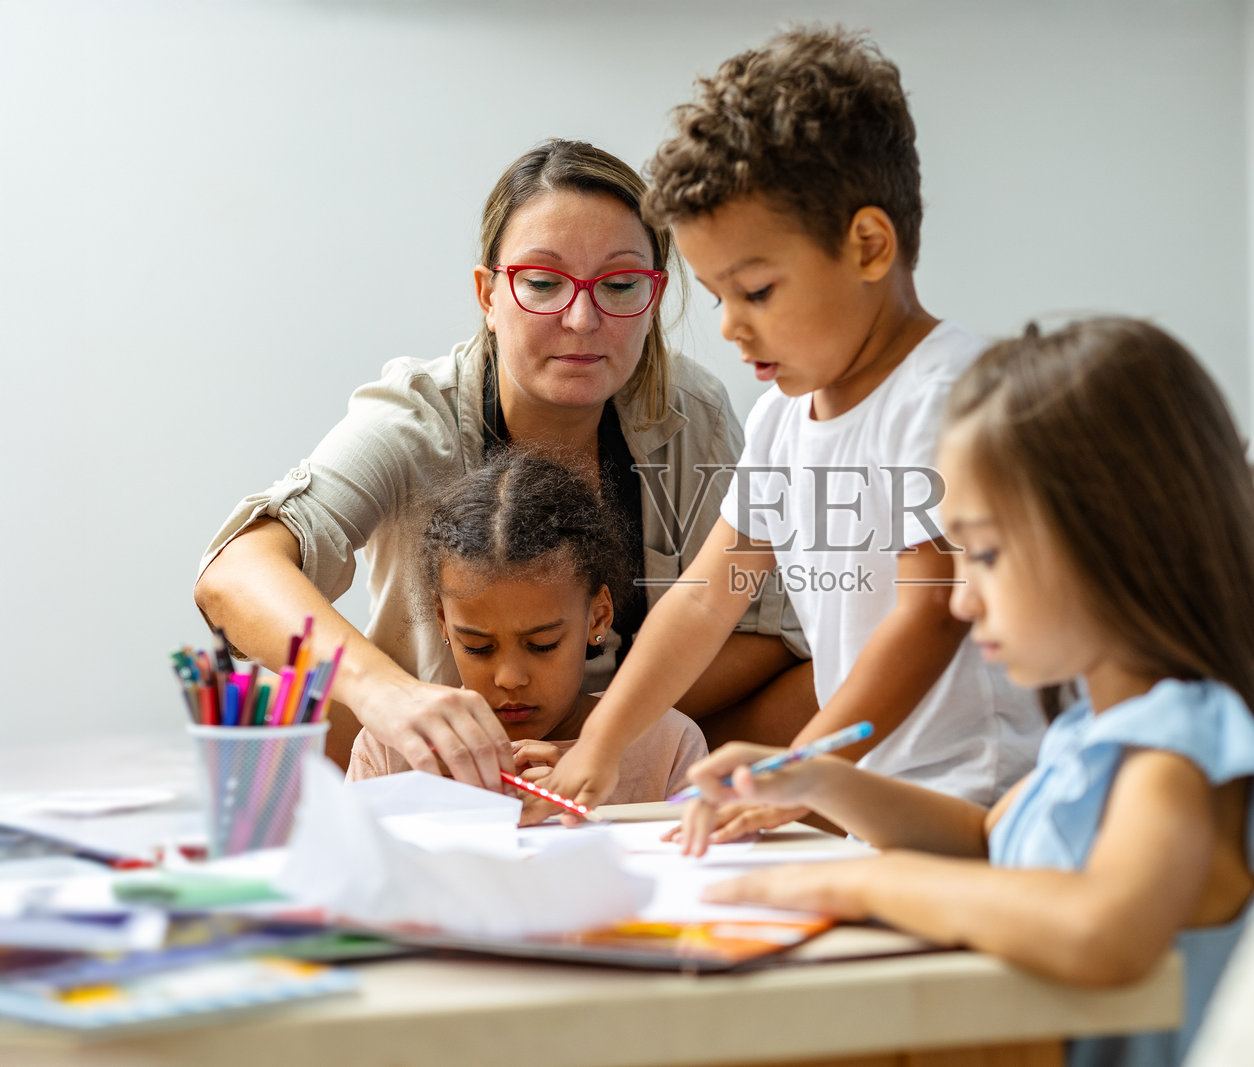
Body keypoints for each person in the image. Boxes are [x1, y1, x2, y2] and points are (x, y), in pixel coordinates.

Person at [679, 319, 1254, 1066]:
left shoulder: (1175, 754)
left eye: (983, 553)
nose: (960, 600)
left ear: (1110, 538)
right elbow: (986, 841)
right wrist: (821, 780)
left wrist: (869, 886)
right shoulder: (1093, 731)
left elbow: (1101, 930)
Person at [536, 27, 1045, 826]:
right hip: (855, 794)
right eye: (717, 297)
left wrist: (801, 771)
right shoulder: (781, 416)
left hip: (964, 790)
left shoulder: (946, 394)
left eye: (759, 291)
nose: (732, 327)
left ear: (869, 245)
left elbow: (929, 613)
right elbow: (706, 599)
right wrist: (599, 743)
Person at [194, 139, 808, 792]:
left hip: (635, 742)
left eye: (620, 284)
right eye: (543, 283)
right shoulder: (412, 417)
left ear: (654, 296)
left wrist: (599, 728)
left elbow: (771, 626)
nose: (580, 318)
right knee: (257, 710)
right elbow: (233, 573)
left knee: (828, 685)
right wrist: (393, 697)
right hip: (433, 752)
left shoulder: (692, 409)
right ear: (489, 294)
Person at [346, 448, 706, 823]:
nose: (510, 679)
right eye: (478, 647)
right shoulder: (396, 748)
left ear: (598, 617)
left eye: (542, 644)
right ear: (442, 620)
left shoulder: (666, 745)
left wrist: (587, 810)